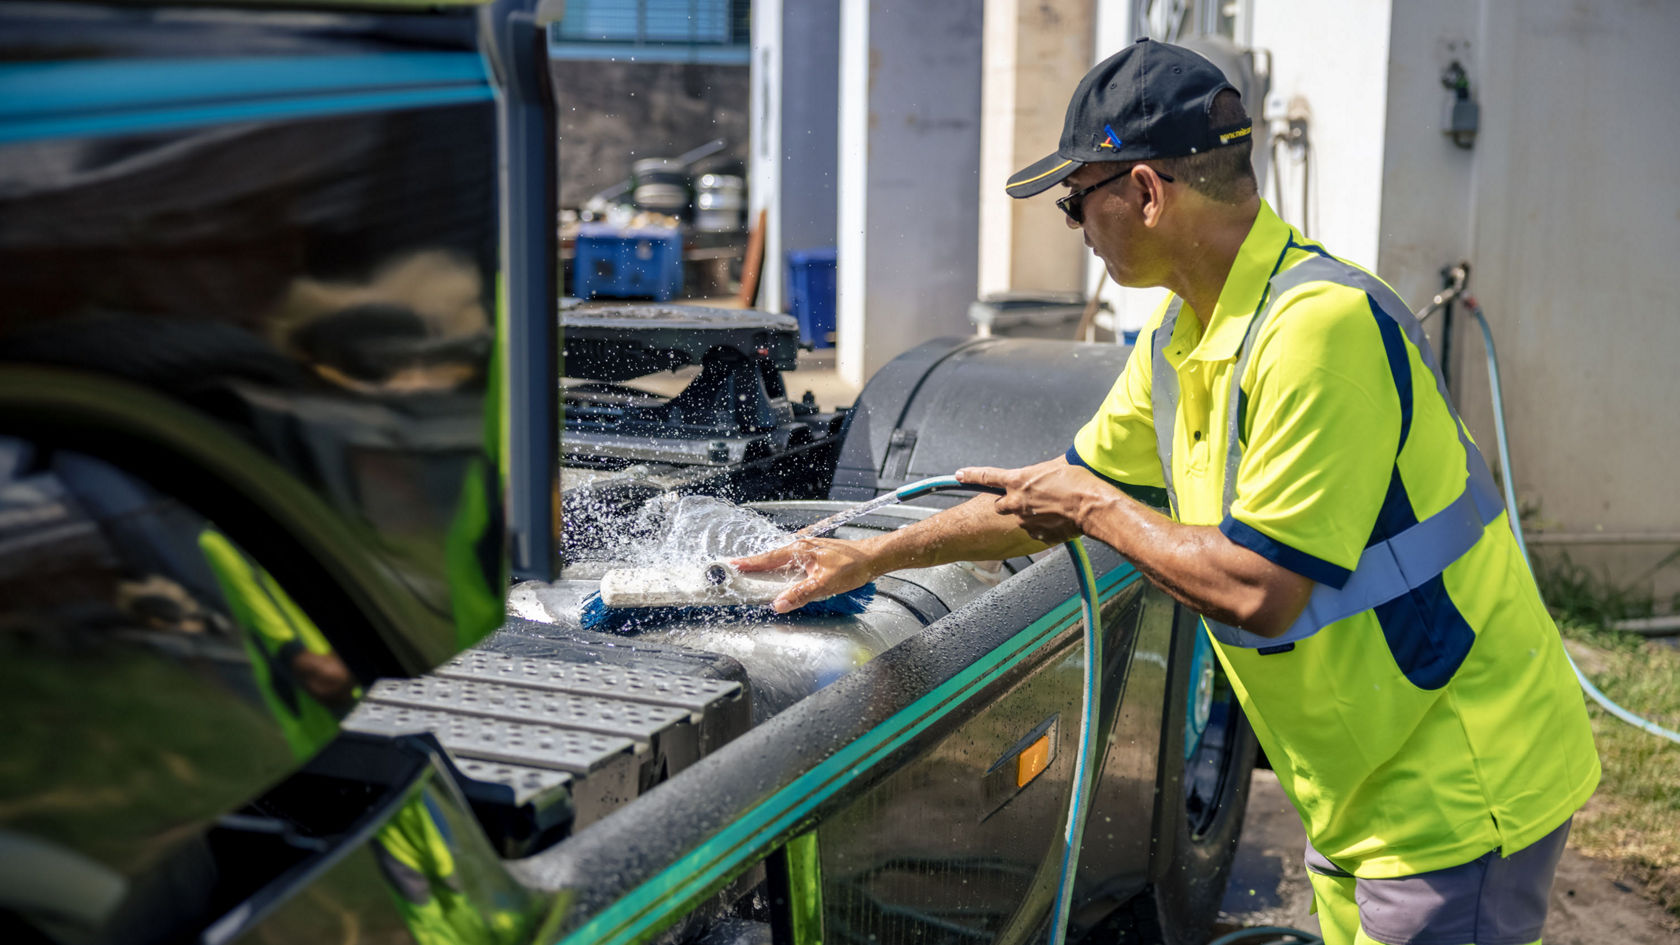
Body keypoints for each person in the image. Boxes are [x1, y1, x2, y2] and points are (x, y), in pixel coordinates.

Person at [735, 38, 1598, 945]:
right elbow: (1058, 495)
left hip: (1456, 787)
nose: (1076, 226)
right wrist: (866, 553)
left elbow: (1259, 590)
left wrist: (1096, 512)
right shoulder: (1183, 338)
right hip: (1364, 790)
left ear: (1146, 192)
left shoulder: (1317, 332)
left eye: (1078, 202)